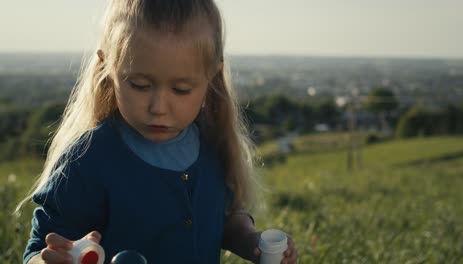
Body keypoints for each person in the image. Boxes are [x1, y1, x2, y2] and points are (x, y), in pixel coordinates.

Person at [18, 0, 298, 263]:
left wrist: (252, 241)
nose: (158, 107)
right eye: (139, 85)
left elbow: (223, 219)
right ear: (108, 68)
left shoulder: (212, 144)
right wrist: (51, 258)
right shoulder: (87, 161)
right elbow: (38, 251)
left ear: (211, 77)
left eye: (181, 89)